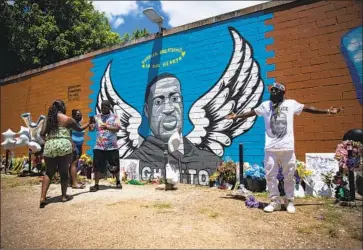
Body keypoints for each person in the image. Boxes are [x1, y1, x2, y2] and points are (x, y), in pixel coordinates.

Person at [226, 82, 341, 213]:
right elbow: (252, 113)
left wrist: (326, 111)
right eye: (271, 91)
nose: (273, 93)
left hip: (287, 148)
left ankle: (289, 201)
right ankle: (275, 201)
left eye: (276, 91)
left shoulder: (291, 104)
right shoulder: (265, 106)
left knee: (289, 176)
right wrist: (236, 116)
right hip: (270, 148)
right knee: (270, 175)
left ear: (282, 92)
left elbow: (308, 109)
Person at [126, 73, 222, 181]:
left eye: (175, 99)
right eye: (158, 101)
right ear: (146, 111)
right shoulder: (135, 162)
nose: (168, 109)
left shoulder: (213, 162)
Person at [39, 100, 91, 208]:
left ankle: (43, 197)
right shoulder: (67, 119)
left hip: (50, 145)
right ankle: (63, 196)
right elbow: (80, 128)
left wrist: (49, 141)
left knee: (49, 172)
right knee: (63, 172)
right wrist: (89, 123)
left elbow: (42, 134)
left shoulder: (47, 119)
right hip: (64, 145)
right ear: (62, 107)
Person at [89, 100, 122, 192]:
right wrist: (90, 125)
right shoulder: (97, 117)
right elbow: (91, 130)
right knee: (96, 166)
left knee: (114, 165)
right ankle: (96, 185)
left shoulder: (115, 117)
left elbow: (117, 129)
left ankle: (118, 181)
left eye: (105, 107)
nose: (103, 109)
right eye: (102, 107)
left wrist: (107, 127)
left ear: (109, 107)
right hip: (99, 146)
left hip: (112, 146)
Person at [70, 109, 86, 189]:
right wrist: (73, 146)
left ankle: (72, 181)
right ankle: (74, 183)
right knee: (74, 163)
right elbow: (68, 135)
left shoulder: (79, 124)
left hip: (79, 146)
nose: (79, 116)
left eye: (80, 114)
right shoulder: (71, 124)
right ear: (73, 116)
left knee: (74, 164)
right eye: (77, 115)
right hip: (74, 146)